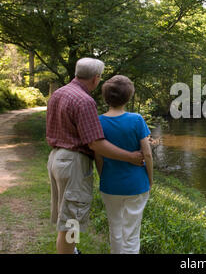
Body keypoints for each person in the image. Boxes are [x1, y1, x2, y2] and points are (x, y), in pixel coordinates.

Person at [46, 58, 144, 254]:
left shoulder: (58, 93)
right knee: (71, 223)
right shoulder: (85, 100)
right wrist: (131, 156)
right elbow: (95, 143)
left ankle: (71, 251)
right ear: (96, 78)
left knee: (65, 220)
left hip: (56, 159)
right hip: (73, 163)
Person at [95, 75, 153, 254]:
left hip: (110, 185)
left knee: (115, 229)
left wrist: (103, 176)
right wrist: (150, 179)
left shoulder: (99, 121)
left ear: (106, 98)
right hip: (136, 184)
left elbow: (99, 155)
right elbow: (148, 154)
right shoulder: (136, 120)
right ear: (128, 97)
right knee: (132, 234)